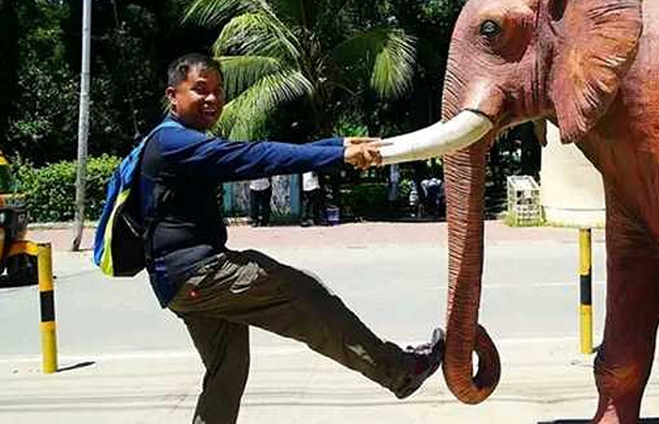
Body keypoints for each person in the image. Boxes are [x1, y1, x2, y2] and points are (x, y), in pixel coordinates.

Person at [138, 53, 444, 424]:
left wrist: (336, 144)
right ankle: (399, 371)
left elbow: (261, 152)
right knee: (305, 295)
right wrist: (341, 155)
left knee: (227, 374)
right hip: (198, 274)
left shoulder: (171, 140)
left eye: (218, 91)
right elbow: (258, 155)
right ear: (173, 95)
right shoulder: (176, 144)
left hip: (179, 283)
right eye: (200, 90)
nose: (213, 100)